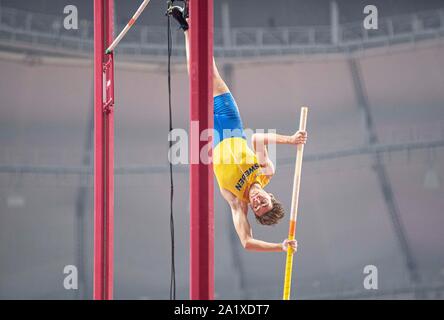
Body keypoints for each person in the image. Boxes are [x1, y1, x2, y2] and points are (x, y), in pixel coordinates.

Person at [168, 3, 307, 253]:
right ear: (270, 196)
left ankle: (186, 28)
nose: (256, 201)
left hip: (210, 135)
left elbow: (246, 242)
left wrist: (280, 247)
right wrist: (292, 139)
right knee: (209, 70)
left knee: (195, 76)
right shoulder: (266, 172)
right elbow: (259, 139)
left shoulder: (237, 202)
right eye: (263, 201)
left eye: (257, 207)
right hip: (231, 121)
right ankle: (193, 20)